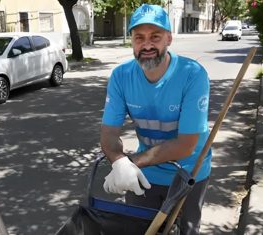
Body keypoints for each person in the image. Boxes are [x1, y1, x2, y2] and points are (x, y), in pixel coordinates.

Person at [100, 4, 212, 235]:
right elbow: (109, 134)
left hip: (189, 173)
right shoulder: (121, 77)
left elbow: (185, 145)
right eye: (139, 37)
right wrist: (118, 161)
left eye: (155, 36)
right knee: (137, 229)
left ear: (169, 39)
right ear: (131, 40)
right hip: (146, 174)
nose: (147, 44)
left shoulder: (193, 74)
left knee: (187, 231)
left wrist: (131, 163)